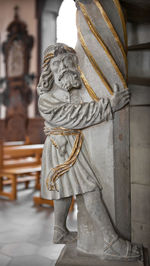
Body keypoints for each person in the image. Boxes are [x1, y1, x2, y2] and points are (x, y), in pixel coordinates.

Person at [38, 43, 141, 261]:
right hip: (61, 149)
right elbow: (75, 116)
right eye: (57, 64)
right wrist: (108, 106)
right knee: (89, 190)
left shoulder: (72, 92)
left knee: (65, 188)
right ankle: (111, 242)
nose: (64, 67)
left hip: (69, 145)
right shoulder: (46, 100)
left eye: (68, 62)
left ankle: (59, 230)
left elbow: (77, 111)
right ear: (49, 70)